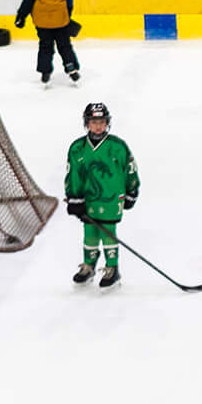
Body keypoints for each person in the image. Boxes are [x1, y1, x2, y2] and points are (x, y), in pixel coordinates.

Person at [64, 101, 138, 289]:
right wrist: (74, 198)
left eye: (102, 122)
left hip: (112, 197)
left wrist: (132, 191)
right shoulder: (77, 148)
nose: (98, 126)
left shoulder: (118, 146)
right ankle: (88, 265)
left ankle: (112, 268)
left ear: (108, 123)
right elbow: (73, 174)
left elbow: (130, 170)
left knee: (108, 232)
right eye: (94, 122)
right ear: (87, 123)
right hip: (89, 198)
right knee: (89, 232)